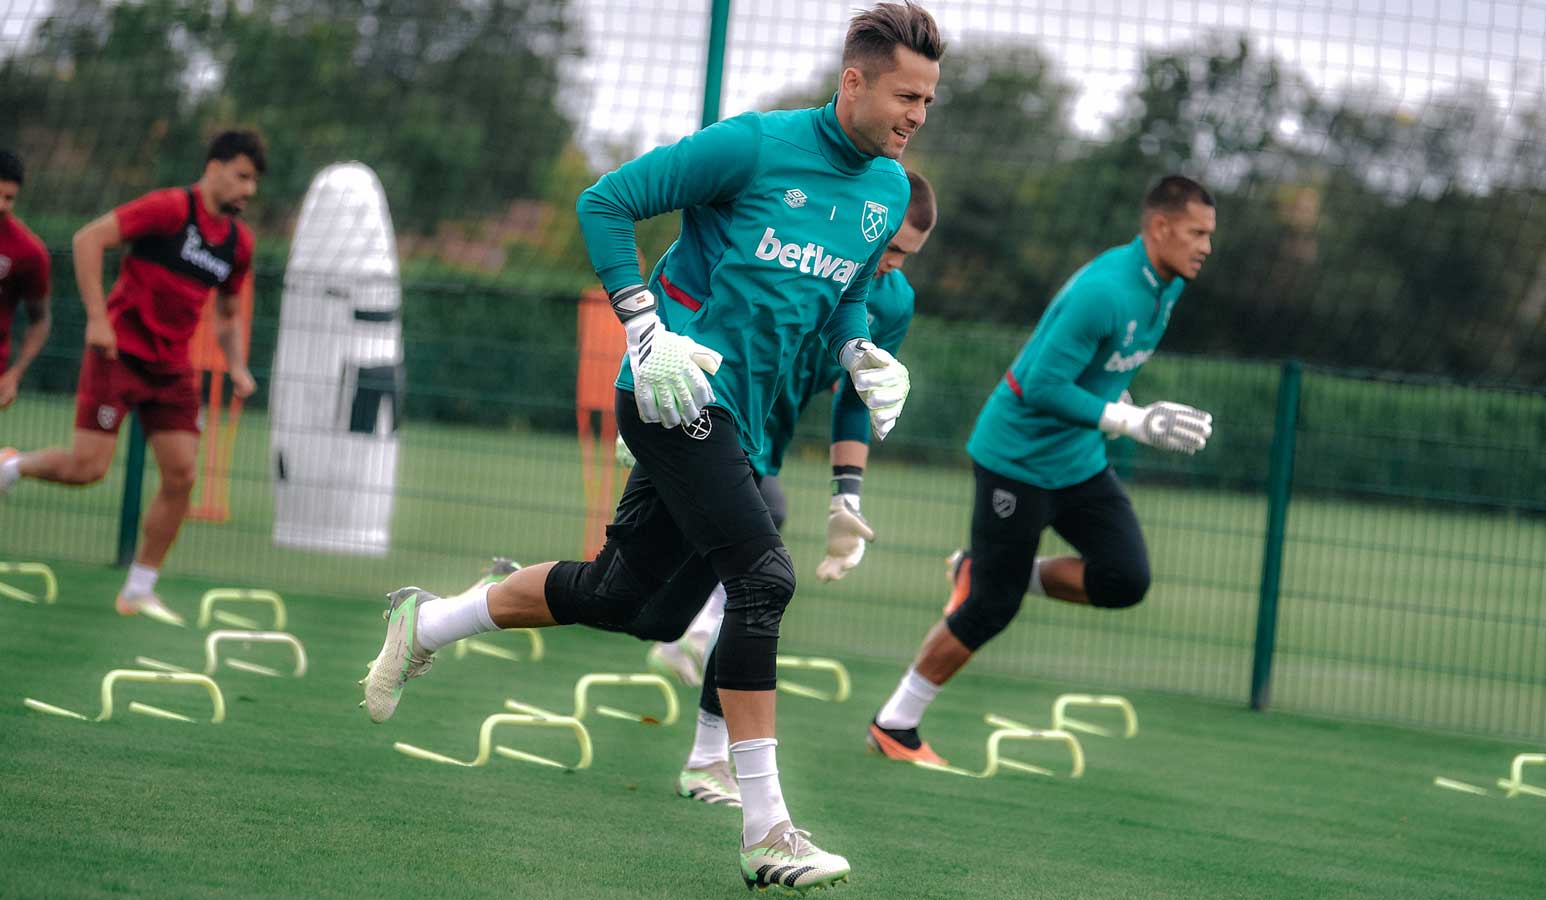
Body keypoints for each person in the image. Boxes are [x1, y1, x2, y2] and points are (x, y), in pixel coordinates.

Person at [361, 3, 941, 890]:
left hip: (737, 423)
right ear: (853, 81)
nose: (917, 116)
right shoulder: (751, 146)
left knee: (626, 599)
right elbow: (607, 202)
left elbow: (851, 290)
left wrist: (859, 348)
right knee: (766, 577)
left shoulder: (891, 191)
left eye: (930, 102)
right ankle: (766, 829)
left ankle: (428, 621)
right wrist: (642, 327)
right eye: (906, 95)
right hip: (671, 394)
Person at [866, 176, 1217, 765]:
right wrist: (1130, 423)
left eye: (1210, 235)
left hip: (1077, 461)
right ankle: (894, 725)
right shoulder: (1105, 290)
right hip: (1016, 462)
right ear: (1160, 228)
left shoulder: (1167, 285)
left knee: (1125, 578)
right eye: (1197, 233)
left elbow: (1103, 365)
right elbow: (1039, 386)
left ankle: (987, 569)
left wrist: (1118, 401)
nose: (1207, 246)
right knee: (991, 607)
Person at [623, 172, 935, 811]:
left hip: (760, 444)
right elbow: (686, 285)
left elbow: (857, 399)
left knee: (643, 605)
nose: (892, 267)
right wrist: (644, 386)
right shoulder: (802, 252)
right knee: (760, 567)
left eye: (905, 258)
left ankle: (459, 611)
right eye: (890, 249)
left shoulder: (892, 301)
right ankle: (713, 758)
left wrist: (847, 498)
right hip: (701, 418)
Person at [0, 131, 264, 625]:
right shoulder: (168, 208)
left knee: (183, 475)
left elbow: (228, 316)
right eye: (243, 176)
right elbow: (88, 239)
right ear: (214, 167)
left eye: (255, 181)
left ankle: (139, 589)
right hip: (118, 354)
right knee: (88, 469)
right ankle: (11, 467)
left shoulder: (237, 244)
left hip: (172, 368)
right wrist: (99, 319)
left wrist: (238, 366)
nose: (249, 190)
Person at [0, 150, 52, 410]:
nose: (1, 204)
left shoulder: (28, 251)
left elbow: (40, 320)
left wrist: (15, 374)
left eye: (8, 198)